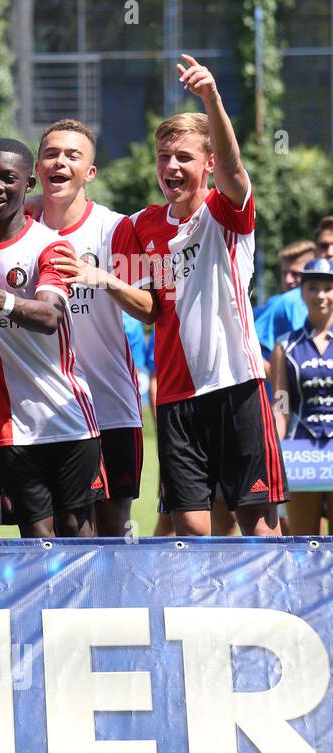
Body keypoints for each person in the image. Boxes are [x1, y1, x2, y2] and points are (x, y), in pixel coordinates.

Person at [123, 54, 286, 536]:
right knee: (190, 530)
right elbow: (150, 308)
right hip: (174, 397)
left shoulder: (226, 209)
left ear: (209, 163)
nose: (171, 166)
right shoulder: (142, 225)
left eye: (185, 157)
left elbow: (235, 170)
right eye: (163, 157)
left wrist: (211, 98)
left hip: (237, 384)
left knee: (257, 527)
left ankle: (268, 608)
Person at [0, 138, 101, 538]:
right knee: (36, 537)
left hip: (65, 416)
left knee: (76, 528)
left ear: (28, 183)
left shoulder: (49, 245)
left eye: (8, 179)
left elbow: (49, 315)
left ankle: (93, 602)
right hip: (4, 423)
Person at [30, 119, 157, 536]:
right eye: (51, 153)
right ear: (37, 167)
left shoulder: (115, 227)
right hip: (44, 407)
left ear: (90, 171)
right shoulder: (19, 228)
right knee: (48, 528)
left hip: (110, 405)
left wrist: (102, 277)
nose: (60, 161)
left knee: (111, 524)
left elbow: (149, 308)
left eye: (72, 155)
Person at [271, 258, 333, 535]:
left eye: (328, 288)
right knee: (305, 543)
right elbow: (281, 403)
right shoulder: (285, 346)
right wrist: (274, 449)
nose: (321, 295)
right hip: (301, 454)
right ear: (302, 292)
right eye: (313, 288)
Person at [254, 239, 317, 373]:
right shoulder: (292, 300)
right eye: (284, 273)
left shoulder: (278, 301)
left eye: (296, 274)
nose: (288, 280)